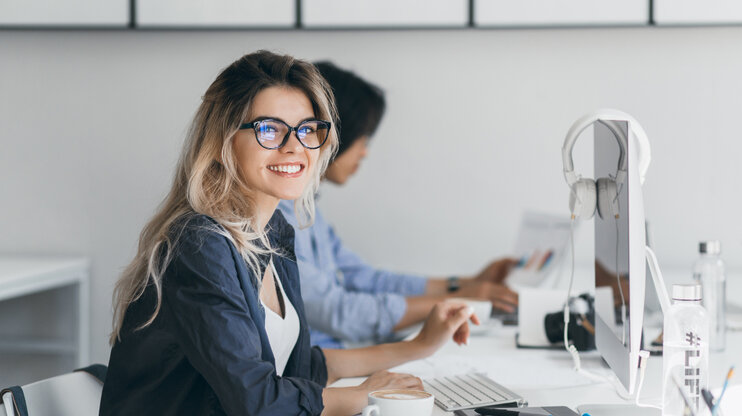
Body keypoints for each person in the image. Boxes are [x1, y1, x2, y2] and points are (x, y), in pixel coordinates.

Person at [100, 50, 480, 416]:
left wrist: (420, 346)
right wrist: (367, 395)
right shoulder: (199, 244)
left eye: (307, 129)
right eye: (270, 130)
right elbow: (260, 402)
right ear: (220, 143)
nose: (294, 146)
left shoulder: (273, 231)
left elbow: (299, 367)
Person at [278, 62, 518, 348]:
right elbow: (337, 311)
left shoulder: (308, 211)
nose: (365, 152)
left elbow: (365, 279)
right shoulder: (275, 218)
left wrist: (464, 285)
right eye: (363, 138)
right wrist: (457, 301)